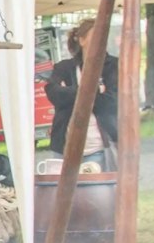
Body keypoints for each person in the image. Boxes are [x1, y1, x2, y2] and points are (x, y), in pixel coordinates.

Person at [45, 18, 119, 157]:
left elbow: (111, 101)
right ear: (82, 40)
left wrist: (70, 94)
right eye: (95, 36)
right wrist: (94, 91)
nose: (100, 41)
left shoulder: (113, 66)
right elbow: (54, 94)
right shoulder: (64, 68)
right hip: (64, 146)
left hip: (100, 146)